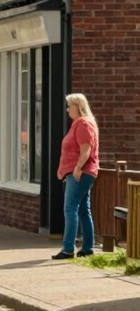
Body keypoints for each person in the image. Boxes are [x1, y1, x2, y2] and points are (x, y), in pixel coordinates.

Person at [52, 93, 100, 260]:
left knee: (70, 209)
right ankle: (87, 249)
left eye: (69, 106)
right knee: (83, 210)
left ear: (78, 107)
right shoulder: (79, 124)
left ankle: (67, 249)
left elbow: (86, 150)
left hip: (80, 173)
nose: (67, 109)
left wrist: (78, 168)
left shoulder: (83, 124)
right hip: (80, 173)